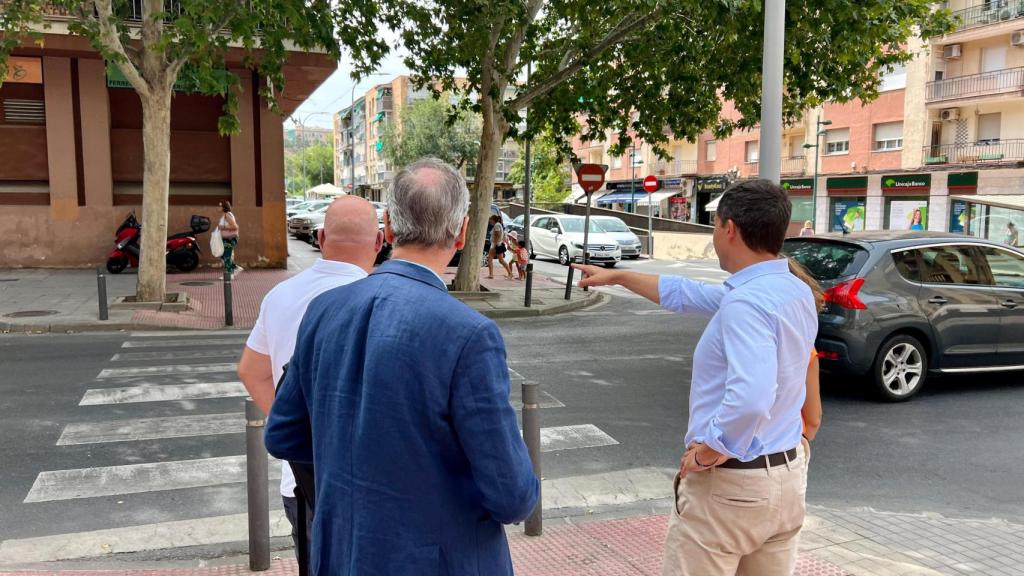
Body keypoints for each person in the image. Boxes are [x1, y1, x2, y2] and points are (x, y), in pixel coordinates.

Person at [265, 158, 539, 575]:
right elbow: (512, 496)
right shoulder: (469, 334)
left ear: (388, 227)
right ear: (463, 232)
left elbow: (284, 433)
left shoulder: (323, 310)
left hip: (340, 555)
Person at [573, 179, 817, 576]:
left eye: (715, 225)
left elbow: (751, 398)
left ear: (730, 229)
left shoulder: (746, 303)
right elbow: (687, 293)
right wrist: (619, 277)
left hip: (732, 490)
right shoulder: (792, 290)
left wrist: (710, 449)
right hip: (785, 480)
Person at [237, 196, 382, 560]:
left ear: (319, 238)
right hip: (367, 485)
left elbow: (251, 371)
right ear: (380, 242)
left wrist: (298, 427)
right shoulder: (384, 303)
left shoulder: (279, 296)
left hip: (301, 483)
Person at [217, 201, 241, 276]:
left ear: (224, 207)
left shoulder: (227, 215)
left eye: (220, 206)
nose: (218, 207)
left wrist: (223, 227)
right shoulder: (224, 215)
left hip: (230, 239)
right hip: (226, 238)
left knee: (227, 256)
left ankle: (229, 275)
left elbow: (235, 226)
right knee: (223, 255)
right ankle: (235, 267)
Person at [487, 214, 514, 279]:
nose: (490, 221)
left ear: (493, 220)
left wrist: (494, 246)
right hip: (498, 244)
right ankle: (510, 273)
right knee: (500, 260)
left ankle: (491, 274)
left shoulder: (496, 225)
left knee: (490, 259)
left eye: (490, 220)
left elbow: (497, 236)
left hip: (495, 244)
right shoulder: (498, 225)